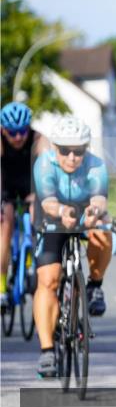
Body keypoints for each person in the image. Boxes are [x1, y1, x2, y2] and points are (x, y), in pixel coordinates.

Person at [32, 116, 112, 378]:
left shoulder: (96, 165)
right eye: (65, 150)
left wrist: (94, 211)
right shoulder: (44, 164)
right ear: (55, 148)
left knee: (105, 229)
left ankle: (95, 286)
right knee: (48, 280)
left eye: (78, 151)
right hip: (51, 216)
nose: (71, 157)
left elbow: (99, 197)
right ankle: (47, 352)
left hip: (83, 214)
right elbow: (47, 202)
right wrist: (62, 211)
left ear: (86, 149)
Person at [1, 101, 49, 309]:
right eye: (13, 132)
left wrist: (43, 195)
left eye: (22, 131)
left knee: (37, 215)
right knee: (6, 223)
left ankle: (35, 265)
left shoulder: (39, 139)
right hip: (5, 187)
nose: (18, 137)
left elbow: (48, 169)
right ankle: (2, 286)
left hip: (31, 186)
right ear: (3, 130)